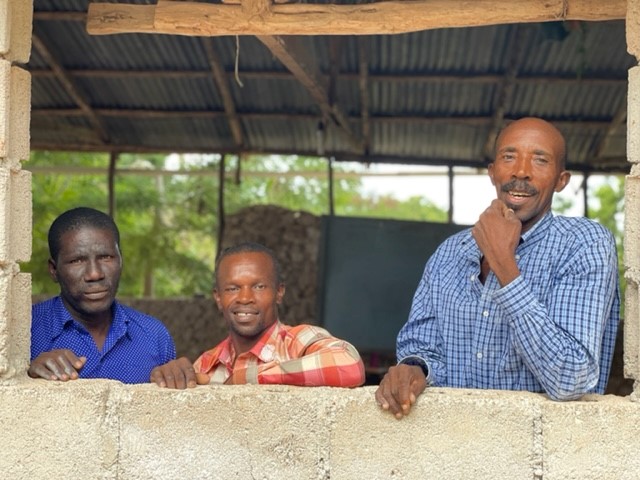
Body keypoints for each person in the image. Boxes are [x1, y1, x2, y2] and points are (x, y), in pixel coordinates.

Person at [375, 117, 620, 417]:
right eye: (509, 157)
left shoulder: (584, 244)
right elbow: (421, 346)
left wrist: (505, 264)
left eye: (540, 160)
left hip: (545, 456)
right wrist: (414, 370)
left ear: (561, 180)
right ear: (492, 172)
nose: (521, 171)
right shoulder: (449, 253)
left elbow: (570, 378)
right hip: (450, 449)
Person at [151, 242, 365, 388]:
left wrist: (249, 377)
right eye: (232, 288)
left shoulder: (297, 342)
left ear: (279, 292)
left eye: (259, 286)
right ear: (218, 298)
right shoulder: (207, 365)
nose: (245, 298)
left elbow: (349, 364)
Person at [29, 207, 176, 384]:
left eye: (106, 257)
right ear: (54, 270)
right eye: (77, 260)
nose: (94, 274)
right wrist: (27, 376)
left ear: (121, 260)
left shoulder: (154, 336)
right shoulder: (24, 332)